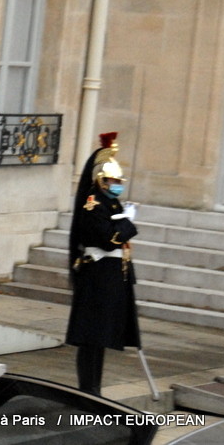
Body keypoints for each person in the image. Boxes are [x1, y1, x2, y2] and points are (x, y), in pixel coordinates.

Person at [66, 132, 141, 395]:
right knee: (91, 338)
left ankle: (94, 389)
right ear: (101, 179)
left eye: (119, 181)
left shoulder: (111, 203)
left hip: (110, 277)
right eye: (113, 180)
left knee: (100, 338)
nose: (117, 184)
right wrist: (127, 222)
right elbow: (110, 240)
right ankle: (89, 389)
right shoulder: (93, 204)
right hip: (97, 276)